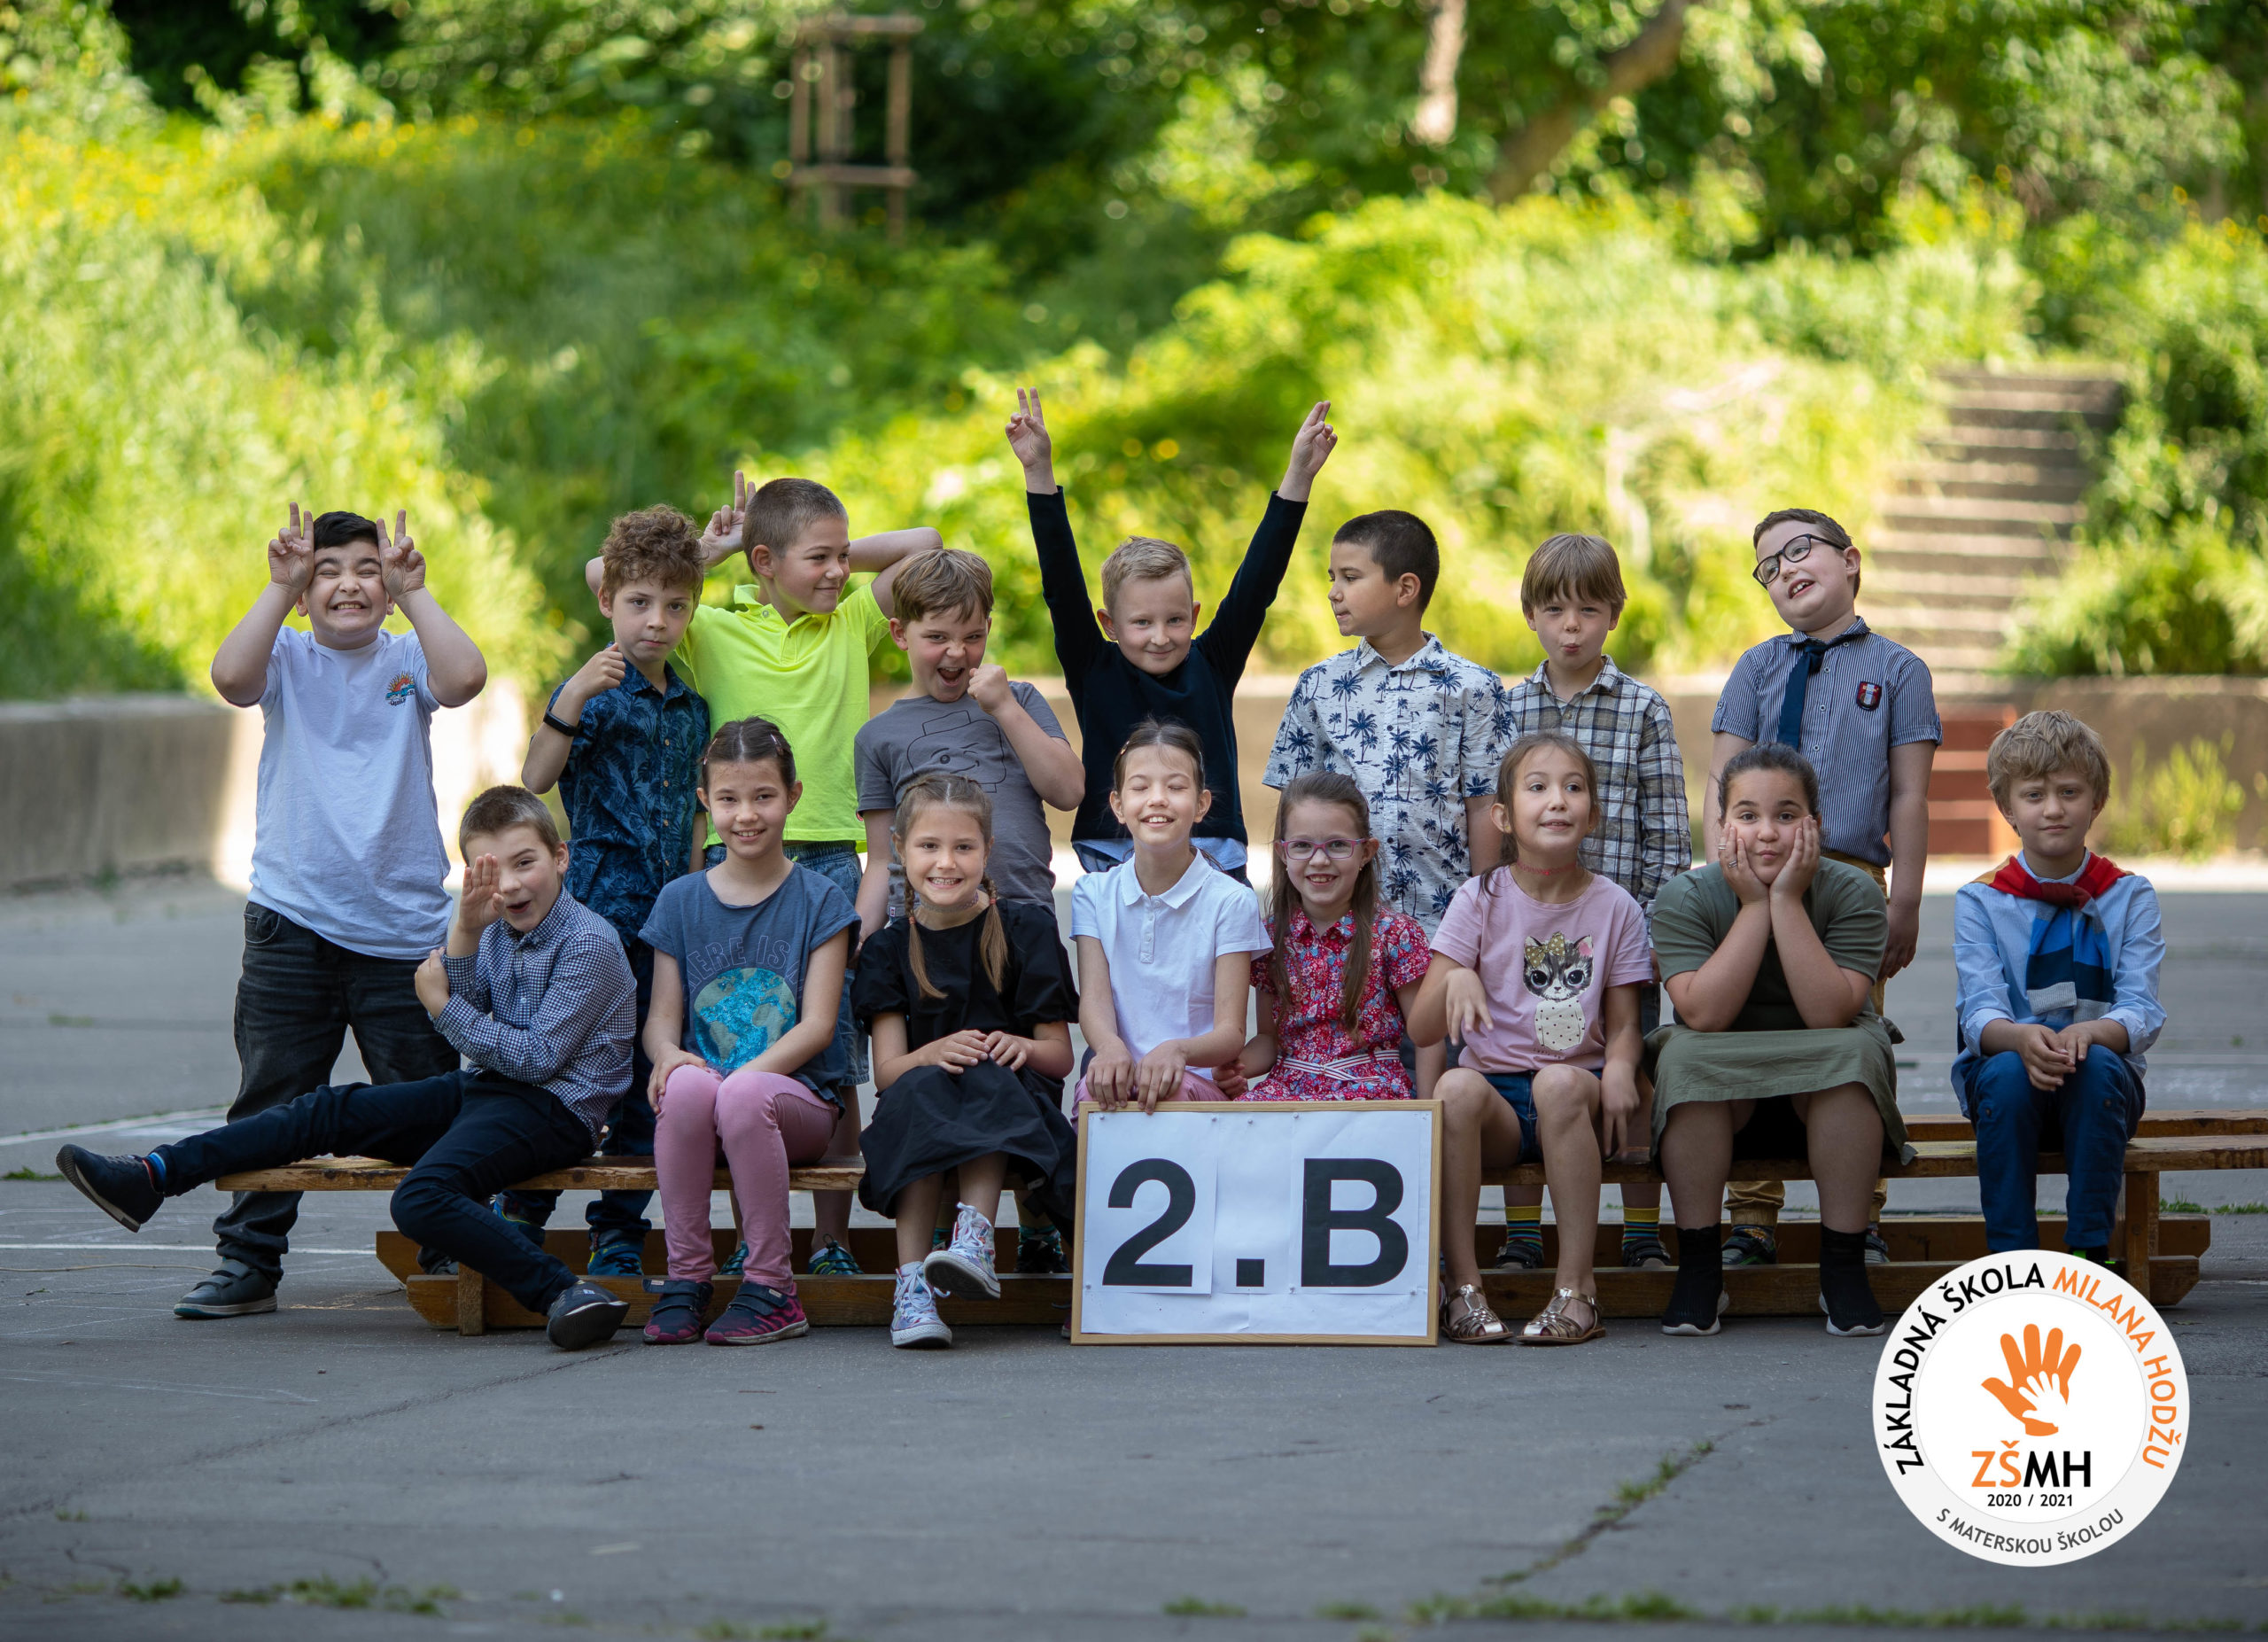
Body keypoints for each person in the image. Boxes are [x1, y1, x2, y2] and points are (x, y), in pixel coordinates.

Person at [57, 788, 638, 1351]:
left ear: (560, 857)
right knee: (326, 1110)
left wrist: (441, 1006)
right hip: (493, 1092)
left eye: (524, 862)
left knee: (421, 1197)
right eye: (490, 871)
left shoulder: (589, 943)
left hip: (556, 1111)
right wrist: (465, 928)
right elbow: (475, 1009)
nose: (509, 884)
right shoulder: (498, 929)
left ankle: (566, 1292)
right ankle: (153, 1175)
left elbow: (535, 1058)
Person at [591, 474, 936, 1274]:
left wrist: (822, 555)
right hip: (734, 859)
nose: (837, 570)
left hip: (829, 862)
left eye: (843, 556)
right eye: (819, 558)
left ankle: (832, 1239)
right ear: (765, 562)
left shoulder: (851, 617)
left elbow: (926, 546)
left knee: (833, 1055)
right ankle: (753, 1232)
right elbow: (602, 574)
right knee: (738, 1041)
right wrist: (714, 553)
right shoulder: (709, 626)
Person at [188, 504, 487, 1319]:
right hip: (292, 924)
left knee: (428, 1103)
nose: (348, 584)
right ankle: (248, 1260)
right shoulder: (287, 655)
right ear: (303, 593)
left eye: (366, 570)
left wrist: (416, 592)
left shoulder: (406, 656)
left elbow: (465, 678)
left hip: (403, 935)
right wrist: (276, 586)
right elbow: (230, 678)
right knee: (271, 1103)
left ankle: (451, 1250)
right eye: (328, 571)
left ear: (386, 591)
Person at [1706, 507, 1938, 1268]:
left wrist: (1905, 899)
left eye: (1800, 550)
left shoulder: (1900, 670)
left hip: (1849, 880)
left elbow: (1909, 795)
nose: (1785, 570)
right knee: (1749, 1035)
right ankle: (1752, 1215)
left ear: (1851, 560)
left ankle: (1858, 1213)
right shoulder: (1756, 667)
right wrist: (1726, 874)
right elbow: (1720, 782)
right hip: (1755, 874)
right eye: (1768, 567)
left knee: (1853, 1036)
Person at [853, 546, 1085, 1274]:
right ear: (900, 633)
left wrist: (1004, 705)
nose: (957, 653)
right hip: (929, 935)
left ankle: (1036, 1222)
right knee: (947, 1074)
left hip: (1017, 923)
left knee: (1016, 1069)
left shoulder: (1020, 701)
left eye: (973, 635)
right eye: (938, 637)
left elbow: (1068, 789)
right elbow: (882, 856)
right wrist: (867, 938)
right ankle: (935, 1256)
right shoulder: (881, 735)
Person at [1006, 388, 1338, 883]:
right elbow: (1061, 584)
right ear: (1108, 625)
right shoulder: (1093, 666)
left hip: (1211, 854)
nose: (1160, 637)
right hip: (1114, 851)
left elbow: (1257, 584)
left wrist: (1299, 477)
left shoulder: (1214, 662)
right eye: (1142, 623)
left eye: (1175, 620)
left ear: (1195, 616)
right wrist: (1038, 472)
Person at [504, 505, 710, 1275]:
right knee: (569, 1069)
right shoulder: (590, 691)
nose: (657, 621)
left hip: (665, 922)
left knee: (646, 1078)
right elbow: (535, 777)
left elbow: (695, 816)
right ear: (607, 601)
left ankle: (619, 1228)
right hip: (592, 918)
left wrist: (696, 893)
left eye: (676, 606)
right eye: (639, 602)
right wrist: (571, 696)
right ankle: (518, 1216)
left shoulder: (691, 707)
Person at [1651, 744, 1907, 1339]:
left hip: (1822, 1084)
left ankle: (1843, 1266)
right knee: (1682, 1056)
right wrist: (1752, 907)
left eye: (1786, 815)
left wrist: (1787, 900)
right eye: (1748, 815)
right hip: (1724, 1088)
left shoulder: (1854, 892)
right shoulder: (1686, 896)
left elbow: (1829, 1014)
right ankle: (1699, 1268)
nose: (1767, 832)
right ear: (1722, 827)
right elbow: (1703, 1014)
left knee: (1855, 1051)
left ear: (1814, 825)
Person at [1407, 733, 1652, 1346]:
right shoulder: (1479, 899)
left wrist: (1622, 1067)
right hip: (1498, 1103)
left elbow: (1625, 1022)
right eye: (1537, 787)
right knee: (1454, 1087)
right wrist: (1456, 975)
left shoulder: (1616, 907)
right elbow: (1423, 1029)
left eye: (1573, 787)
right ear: (1503, 816)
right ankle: (1463, 1289)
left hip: (1576, 1095)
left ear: (1593, 815)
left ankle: (1577, 1291)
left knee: (1559, 1082)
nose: (1557, 800)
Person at [1262, 508, 1507, 1100]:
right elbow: (1291, 811)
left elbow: (1484, 806)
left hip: (1439, 934)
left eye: (1350, 577)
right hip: (1341, 940)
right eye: (1332, 577)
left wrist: (1481, 919)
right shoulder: (1319, 685)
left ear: (1405, 588)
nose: (1333, 591)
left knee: (1436, 1089)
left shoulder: (1472, 688)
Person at [638, 720, 859, 1347]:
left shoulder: (821, 899)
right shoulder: (679, 901)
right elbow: (661, 1020)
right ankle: (688, 1278)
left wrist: (734, 1081)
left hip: (797, 1105)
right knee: (684, 1086)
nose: (746, 815)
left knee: (735, 1092)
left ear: (793, 795)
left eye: (763, 796)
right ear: (705, 802)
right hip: (711, 1101)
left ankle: (772, 1288)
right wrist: (668, 1056)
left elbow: (818, 1027)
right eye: (729, 799)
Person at [1499, 533, 1687, 1272]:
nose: (1571, 626)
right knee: (1525, 1069)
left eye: (1587, 609)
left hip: (1618, 937)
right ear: (1530, 615)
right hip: (1528, 934)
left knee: (1629, 1072)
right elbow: (1497, 820)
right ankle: (1522, 1231)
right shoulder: (1507, 707)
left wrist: (1650, 937)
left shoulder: (1643, 709)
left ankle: (1640, 1228)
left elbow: (1666, 834)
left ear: (1615, 613)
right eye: (1554, 610)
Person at [851, 775, 1081, 1349]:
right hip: (920, 1110)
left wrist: (1023, 1048)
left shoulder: (1027, 929)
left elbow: (1058, 1057)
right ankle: (912, 1290)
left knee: (982, 1062)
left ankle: (974, 1241)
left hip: (1016, 1109)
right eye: (929, 846)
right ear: (899, 848)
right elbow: (888, 1073)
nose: (946, 862)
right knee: (924, 1084)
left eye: (963, 847)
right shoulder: (887, 948)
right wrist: (930, 1053)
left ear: (988, 849)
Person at [1953, 711, 2163, 1258]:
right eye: (2034, 795)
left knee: (2095, 1068)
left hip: (2102, 1090)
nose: (2053, 809)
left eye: (2069, 792)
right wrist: (2021, 1039)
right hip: (2006, 1086)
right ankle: (2013, 1259)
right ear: (2007, 808)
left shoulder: (2130, 895)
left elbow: (2141, 1009)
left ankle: (2089, 1253)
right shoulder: (1980, 900)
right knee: (2005, 1074)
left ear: (2097, 801)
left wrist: (2089, 1033)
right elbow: (1979, 1012)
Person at [1073, 723, 1270, 1110]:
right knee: (1093, 1093)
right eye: (1140, 787)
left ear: (1201, 804)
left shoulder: (1231, 900)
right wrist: (1110, 1047)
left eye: (1176, 787)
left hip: (1194, 1082)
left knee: (1170, 1091)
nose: (1158, 799)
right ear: (1118, 805)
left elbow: (1231, 1032)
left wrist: (1178, 1051)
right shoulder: (1092, 893)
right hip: (1121, 1074)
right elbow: (1094, 1002)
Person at [1237, 771, 1431, 1103]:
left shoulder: (1395, 934)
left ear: (1366, 852)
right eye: (1302, 846)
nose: (1319, 860)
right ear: (1283, 853)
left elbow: (1427, 1037)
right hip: (1288, 1093)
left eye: (1338, 845)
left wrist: (1427, 1117)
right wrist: (1235, 1068)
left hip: (1371, 1093)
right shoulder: (1271, 936)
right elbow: (1268, 1039)